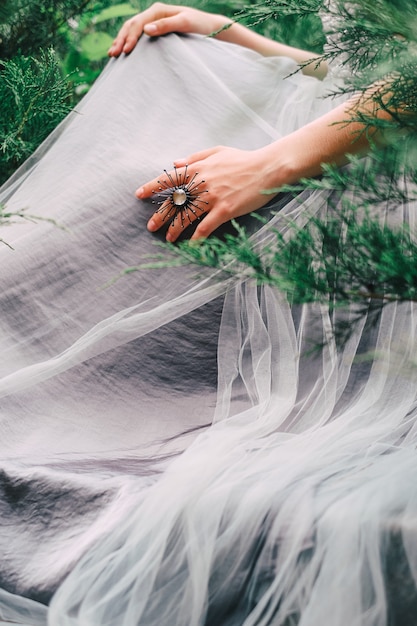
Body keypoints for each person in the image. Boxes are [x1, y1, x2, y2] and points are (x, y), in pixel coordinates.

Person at [0, 3, 415, 626]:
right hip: (344, 135)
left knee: (151, 191)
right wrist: (235, 38)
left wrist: (269, 166)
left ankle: (77, 402)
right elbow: (376, 73)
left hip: (386, 187)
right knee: (156, 104)